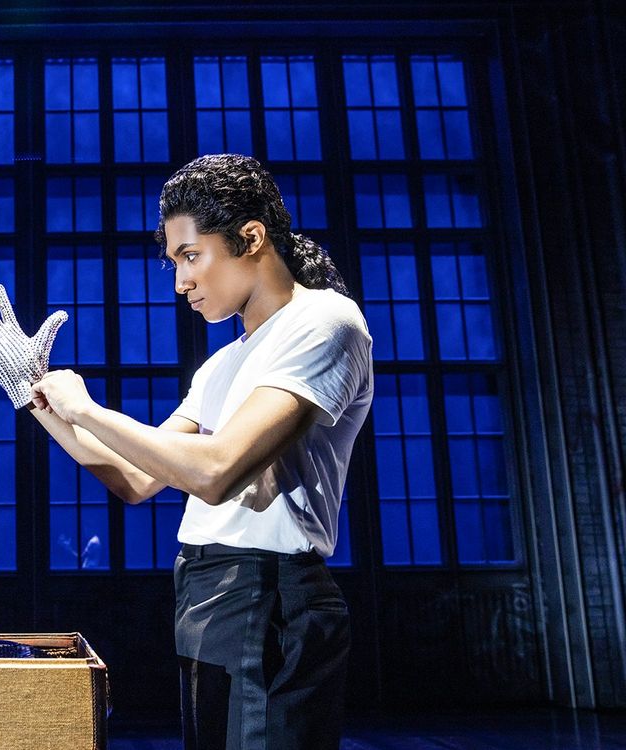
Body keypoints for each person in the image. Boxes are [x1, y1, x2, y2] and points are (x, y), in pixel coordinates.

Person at [28, 154, 374, 750]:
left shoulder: (324, 320)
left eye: (190, 256)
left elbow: (216, 472)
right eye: (174, 262)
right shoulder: (221, 363)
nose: (180, 282)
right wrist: (32, 395)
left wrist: (85, 408)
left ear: (251, 238)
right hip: (206, 589)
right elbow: (136, 478)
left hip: (271, 592)